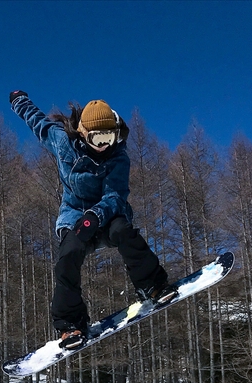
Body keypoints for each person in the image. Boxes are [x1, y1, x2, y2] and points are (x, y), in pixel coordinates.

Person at [9, 90, 176, 350]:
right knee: (68, 256)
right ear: (84, 132)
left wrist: (96, 216)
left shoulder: (118, 156)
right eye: (98, 137)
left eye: (109, 136)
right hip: (74, 214)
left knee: (124, 231)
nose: (104, 145)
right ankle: (70, 324)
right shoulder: (62, 141)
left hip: (107, 214)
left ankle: (152, 285)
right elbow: (37, 122)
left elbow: (116, 195)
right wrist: (20, 101)